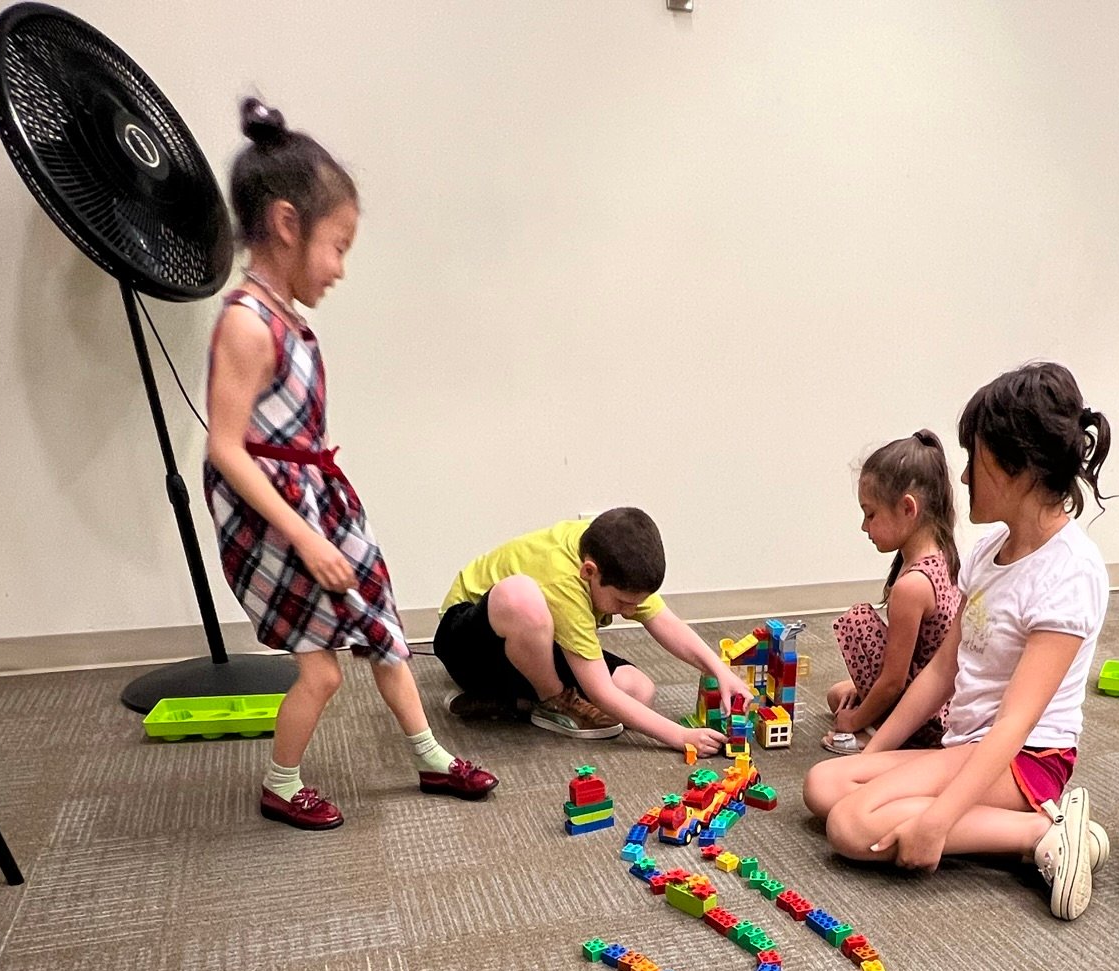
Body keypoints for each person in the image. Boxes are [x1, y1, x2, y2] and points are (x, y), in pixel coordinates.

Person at [205, 100, 495, 831]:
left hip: (319, 499)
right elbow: (225, 448)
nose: (339, 268)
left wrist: (325, 517)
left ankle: (430, 757)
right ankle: (281, 784)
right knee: (323, 668)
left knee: (383, 630)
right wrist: (304, 538)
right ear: (287, 223)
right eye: (338, 246)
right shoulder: (246, 322)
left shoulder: (289, 319)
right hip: (274, 519)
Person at [803, 363, 1113, 920]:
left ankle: (1045, 832)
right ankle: (996, 824)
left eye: (976, 460)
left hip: (1027, 759)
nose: (964, 477)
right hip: (967, 746)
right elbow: (942, 672)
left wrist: (939, 821)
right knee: (827, 784)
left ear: (1019, 468)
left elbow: (1016, 723)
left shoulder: (1070, 572)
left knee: (851, 825)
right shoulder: (988, 549)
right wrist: (875, 759)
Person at [434, 511, 741, 754]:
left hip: (529, 646)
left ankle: (512, 702)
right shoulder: (564, 580)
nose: (630, 612)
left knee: (638, 692)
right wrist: (681, 736)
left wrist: (719, 671)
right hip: (469, 646)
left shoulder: (611, 553)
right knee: (520, 596)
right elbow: (601, 693)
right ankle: (551, 699)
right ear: (589, 572)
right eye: (622, 602)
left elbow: (666, 623)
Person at [823, 430, 961, 754]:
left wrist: (855, 721)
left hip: (928, 717)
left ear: (908, 508)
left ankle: (881, 734)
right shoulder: (943, 554)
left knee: (858, 621)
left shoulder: (912, 586)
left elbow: (892, 682)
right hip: (948, 703)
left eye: (871, 514)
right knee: (837, 694)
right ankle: (876, 721)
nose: (864, 526)